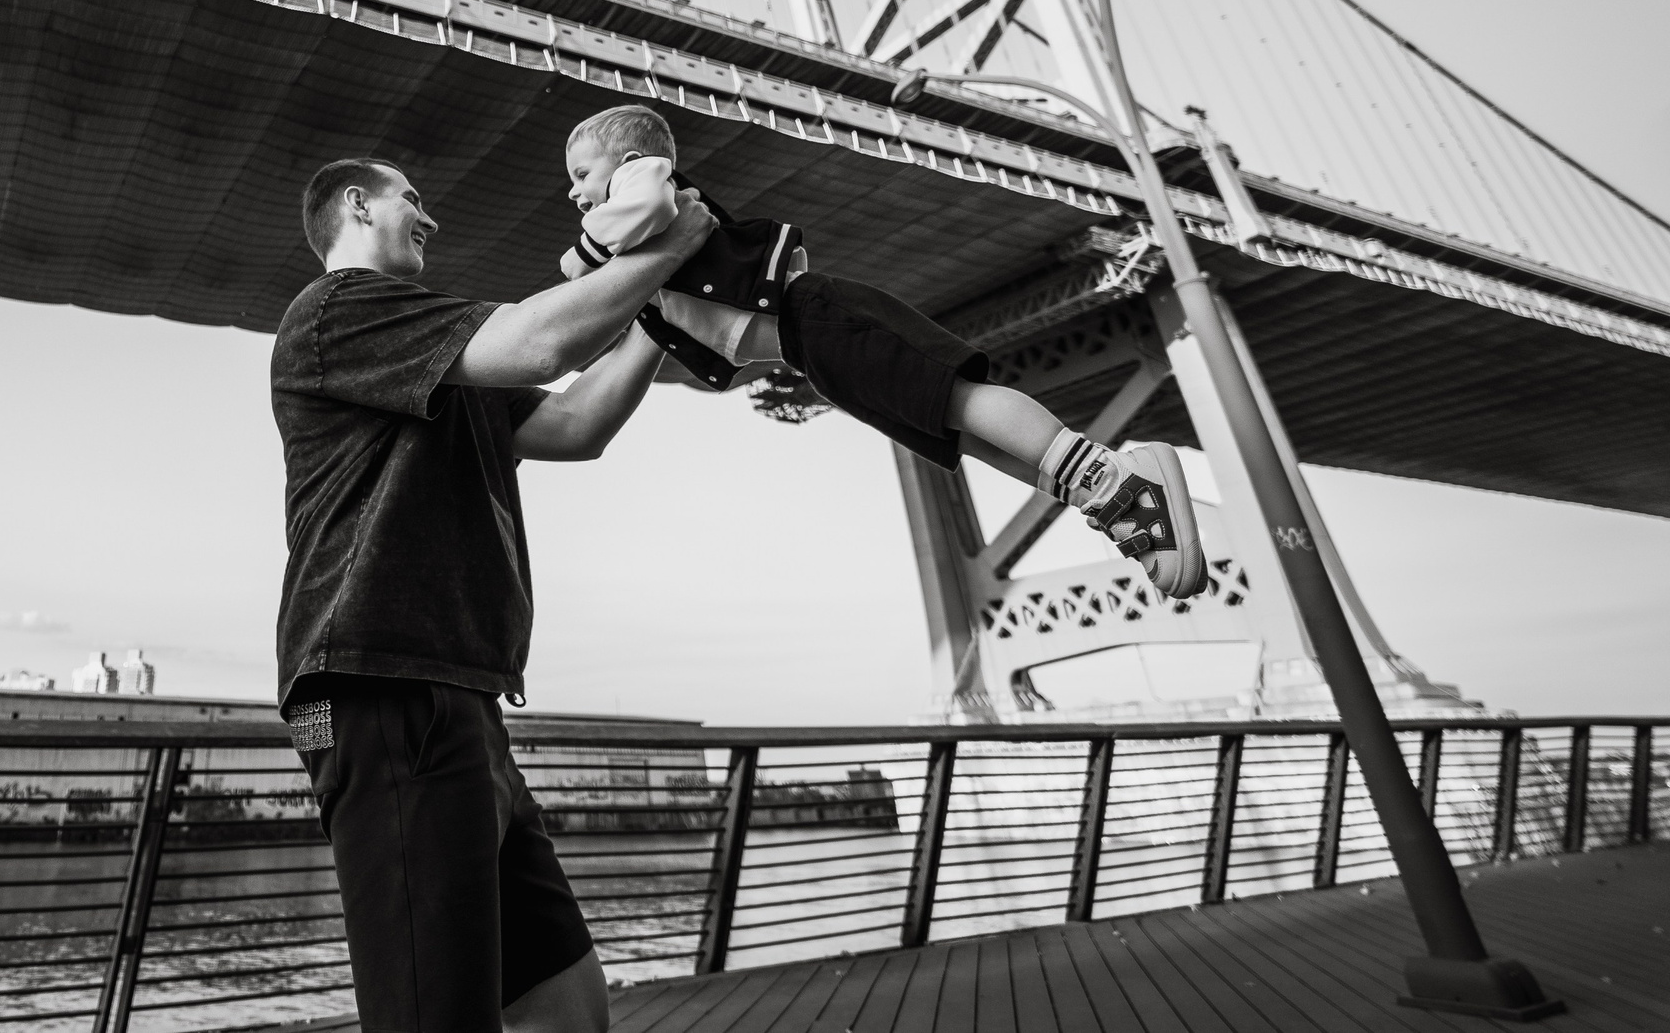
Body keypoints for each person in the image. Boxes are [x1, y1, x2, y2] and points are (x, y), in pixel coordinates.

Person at [272, 156, 715, 1033]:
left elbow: (576, 424)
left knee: (570, 1011)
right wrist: (677, 244)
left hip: (465, 705)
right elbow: (546, 340)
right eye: (414, 198)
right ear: (358, 204)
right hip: (379, 690)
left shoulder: (439, 348)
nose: (430, 218)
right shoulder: (334, 312)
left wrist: (661, 319)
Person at [558, 103, 1207, 599]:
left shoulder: (646, 183)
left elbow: (641, 204)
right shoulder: (648, 252)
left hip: (816, 319)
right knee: (953, 428)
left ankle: (1117, 482)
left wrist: (584, 254)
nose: (573, 191)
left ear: (631, 157)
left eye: (582, 172)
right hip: (808, 348)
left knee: (957, 399)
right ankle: (1104, 497)